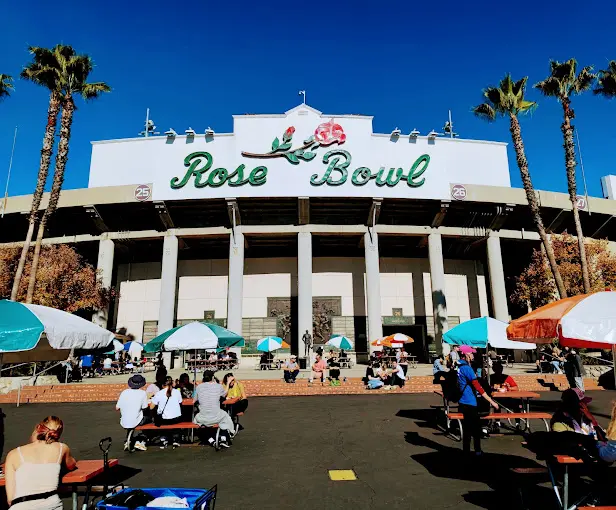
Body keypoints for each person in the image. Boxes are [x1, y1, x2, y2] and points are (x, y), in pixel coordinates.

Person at [4, 416, 77, 510]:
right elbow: (72, 465)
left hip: (21, 506)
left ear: (38, 428)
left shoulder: (13, 454)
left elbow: (10, 499)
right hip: (51, 504)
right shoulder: (61, 448)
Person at [457, 345, 499, 456]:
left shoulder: (459, 368)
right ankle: (477, 450)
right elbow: (479, 388)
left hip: (462, 402)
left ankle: (466, 451)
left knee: (466, 429)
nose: (472, 355)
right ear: (466, 354)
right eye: (470, 353)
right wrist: (492, 402)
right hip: (470, 402)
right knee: (475, 429)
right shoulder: (467, 369)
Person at [193, 371, 235, 448]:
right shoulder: (218, 386)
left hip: (203, 417)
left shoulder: (199, 387)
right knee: (225, 417)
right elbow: (224, 394)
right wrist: (228, 383)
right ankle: (224, 436)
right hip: (216, 416)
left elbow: (194, 400)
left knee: (197, 419)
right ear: (213, 377)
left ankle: (210, 440)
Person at [116, 374, 149, 451]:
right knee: (149, 419)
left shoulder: (124, 392)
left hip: (124, 420)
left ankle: (128, 441)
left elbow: (117, 407)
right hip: (137, 420)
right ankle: (142, 440)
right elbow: (145, 407)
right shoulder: (142, 393)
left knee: (132, 419)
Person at [151, 376, 183, 449]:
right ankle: (175, 437)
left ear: (162, 385)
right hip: (176, 419)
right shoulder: (177, 392)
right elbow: (180, 403)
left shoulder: (159, 393)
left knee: (159, 418)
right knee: (173, 417)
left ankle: (164, 438)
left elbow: (151, 407)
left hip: (164, 420)